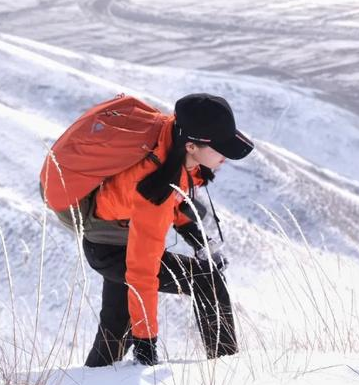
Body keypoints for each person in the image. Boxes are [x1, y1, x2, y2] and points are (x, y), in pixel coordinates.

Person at [82, 93, 254, 367]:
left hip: (110, 237)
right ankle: (227, 371)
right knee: (207, 281)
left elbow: (178, 195)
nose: (225, 156)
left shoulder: (171, 146)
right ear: (192, 146)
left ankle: (89, 379)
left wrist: (197, 237)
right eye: (220, 148)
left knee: (115, 331)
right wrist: (146, 345)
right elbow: (142, 272)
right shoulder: (155, 188)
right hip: (113, 249)